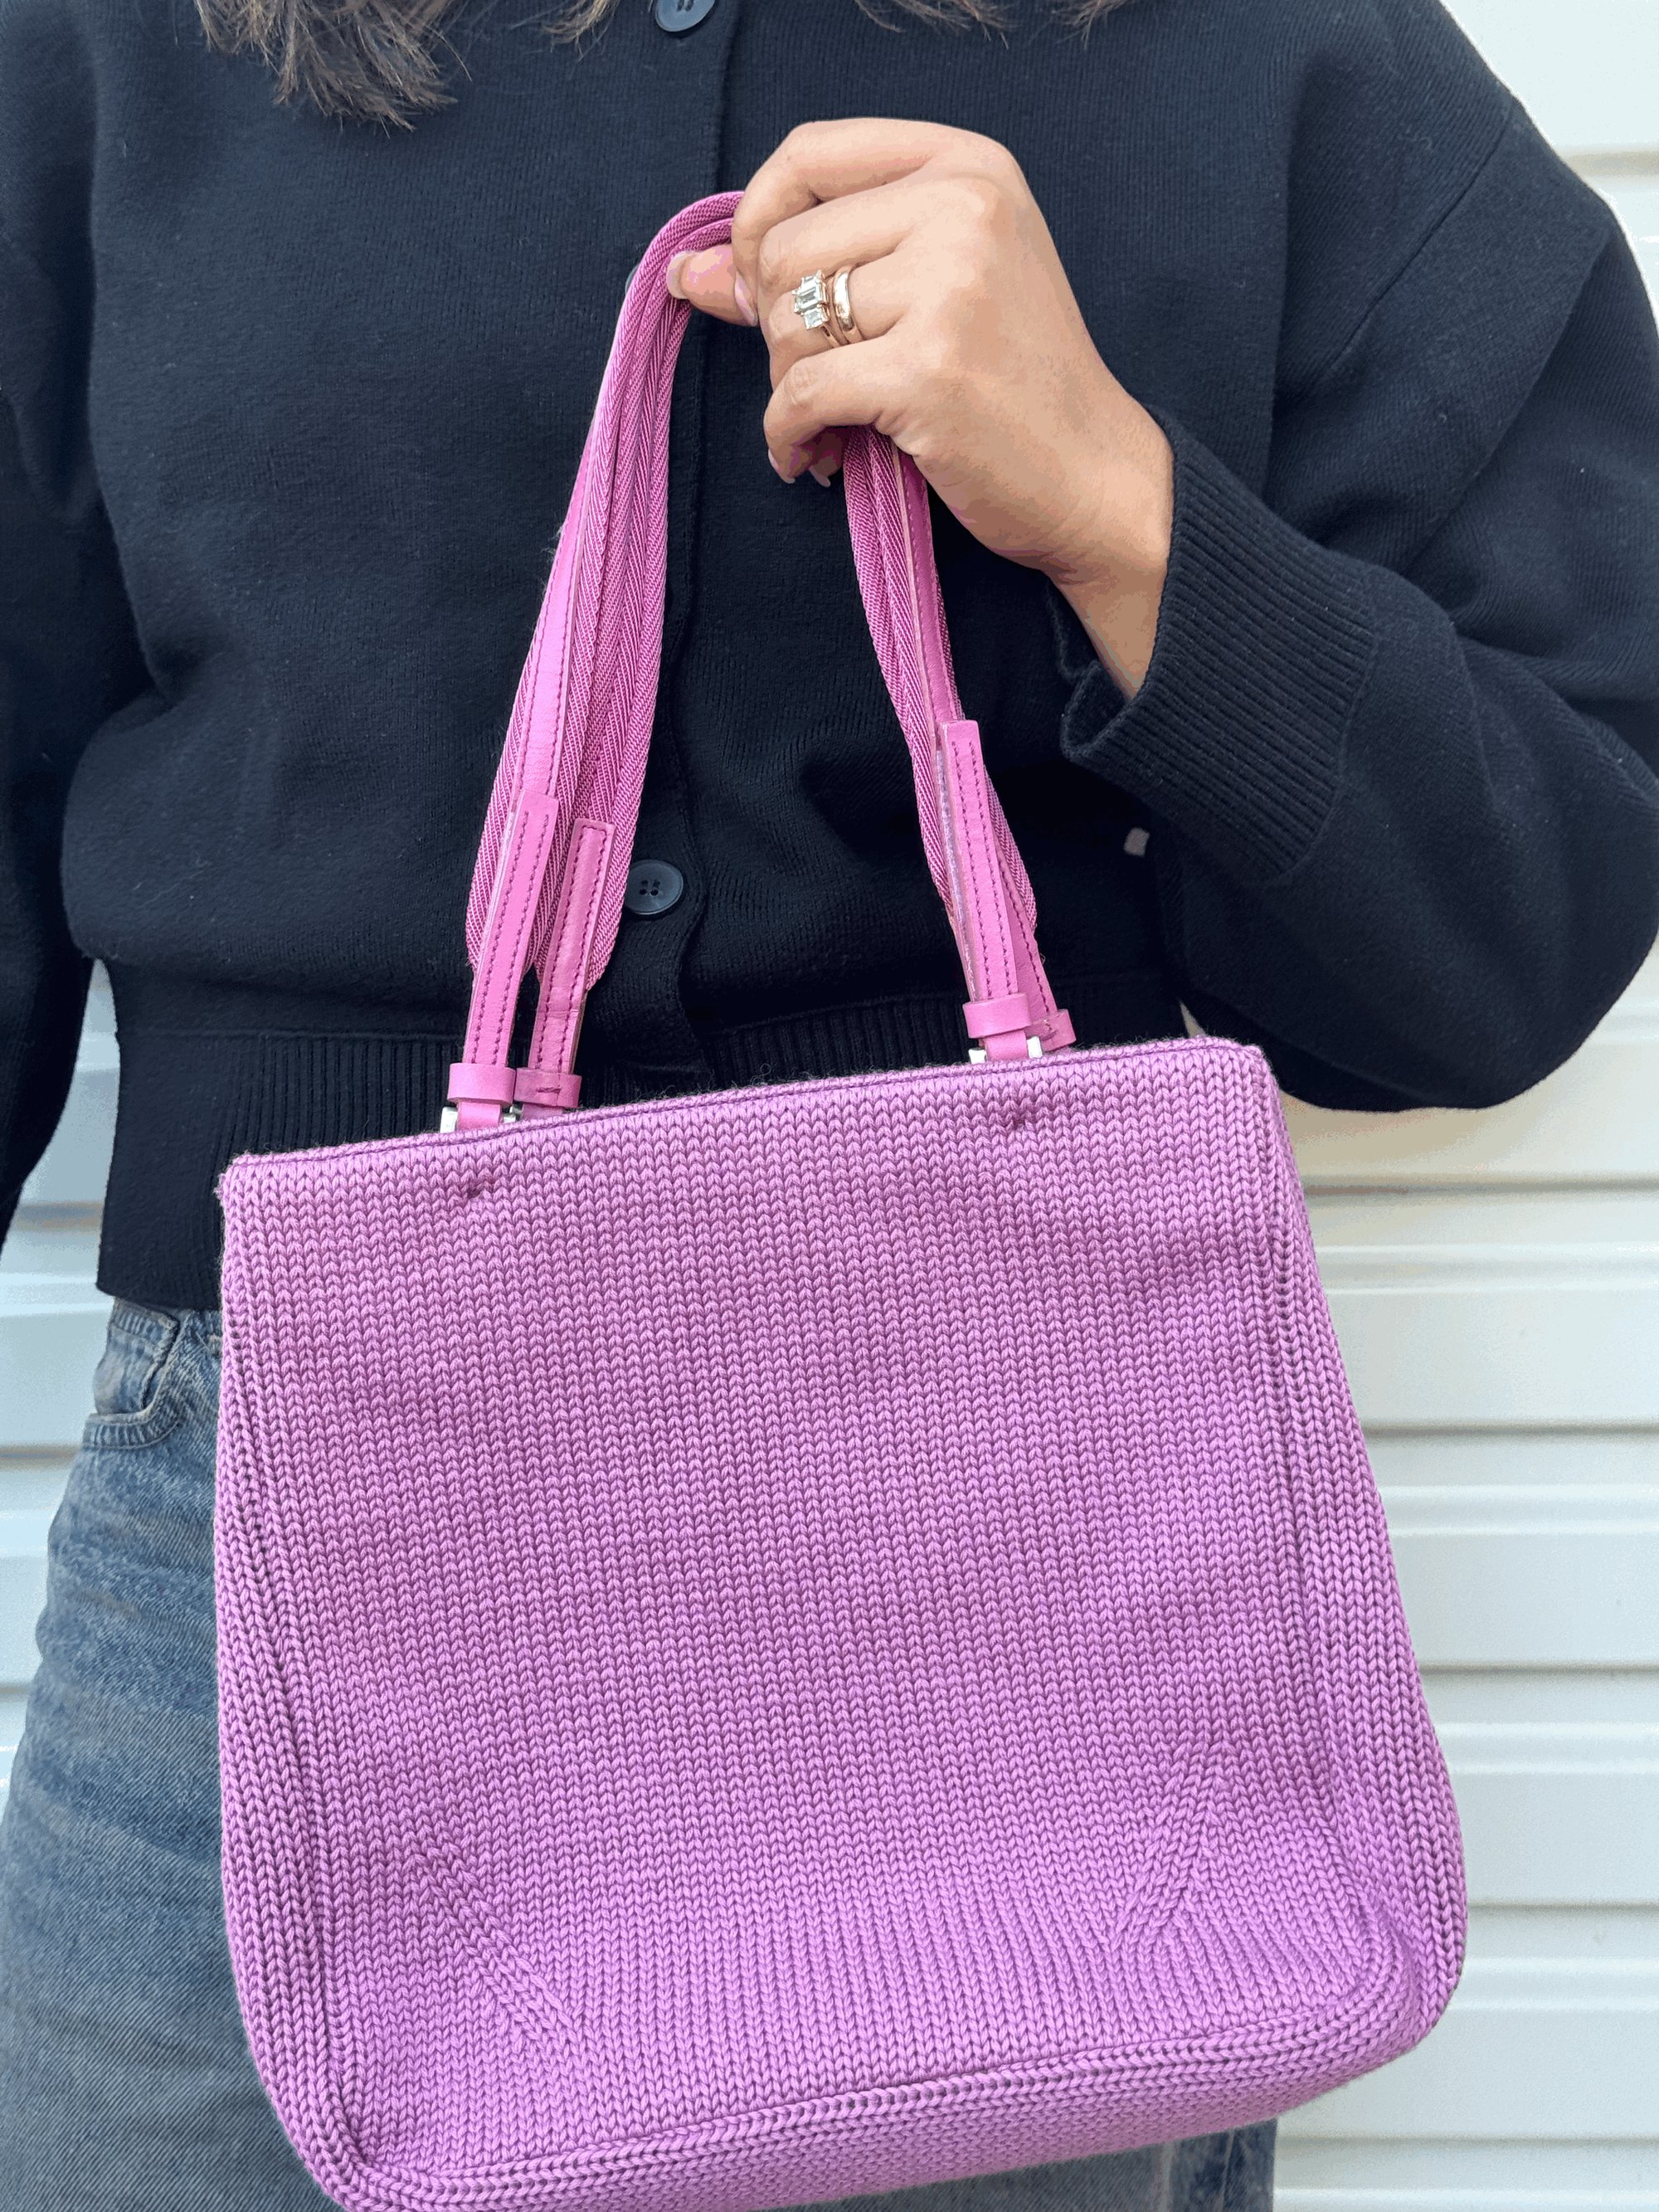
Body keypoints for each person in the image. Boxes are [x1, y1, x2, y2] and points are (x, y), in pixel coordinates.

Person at [2, 0, 1657, 2205]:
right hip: (283, 1533)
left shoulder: (1267, 48)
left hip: (1018, 1597)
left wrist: (1122, 505)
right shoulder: (111, 40)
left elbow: (1526, 911)